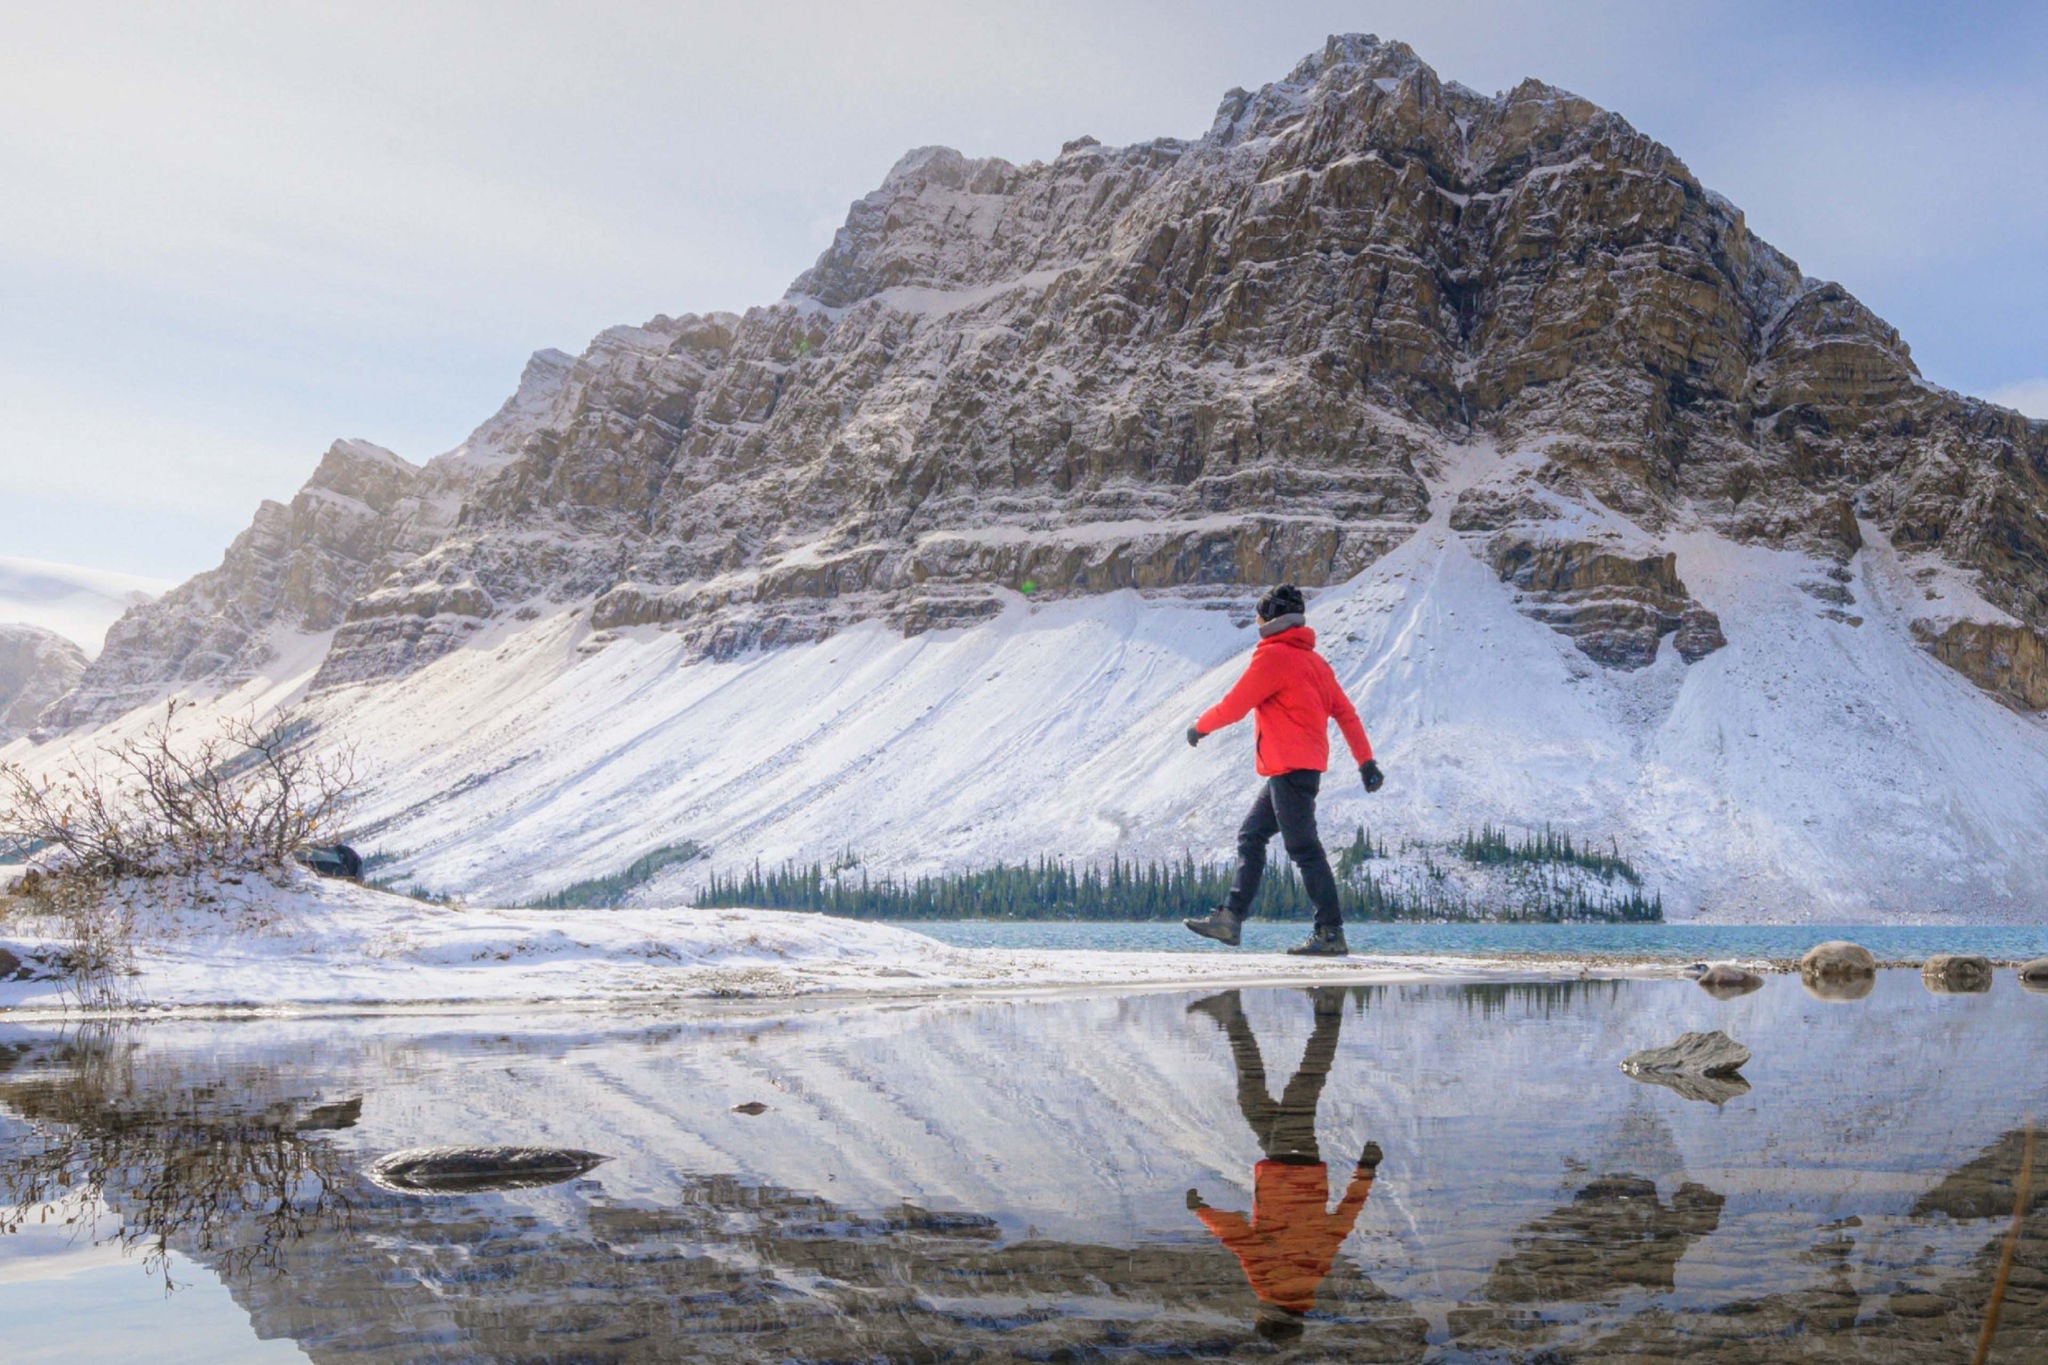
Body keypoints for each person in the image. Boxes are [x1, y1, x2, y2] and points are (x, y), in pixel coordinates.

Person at [1183, 584, 1382, 956]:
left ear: (1271, 619)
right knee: (1252, 834)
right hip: (1296, 771)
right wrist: (1366, 762)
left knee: (1303, 848)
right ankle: (1231, 919)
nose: (1256, 619)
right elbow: (1346, 714)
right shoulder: (1316, 664)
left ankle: (1330, 932)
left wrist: (1200, 727)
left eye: (1260, 613)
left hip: (1289, 770)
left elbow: (1235, 705)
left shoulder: (1274, 658)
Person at [1184, 987, 1382, 1342]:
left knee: (1254, 1096)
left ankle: (1232, 1015)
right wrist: (1202, 1211)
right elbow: (1240, 1239)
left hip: (1297, 1164)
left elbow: (1344, 1220)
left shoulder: (1314, 1272)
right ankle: (1328, 1008)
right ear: (1266, 1316)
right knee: (1307, 1078)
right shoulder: (1271, 1283)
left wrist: (1365, 1172)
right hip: (1285, 1165)